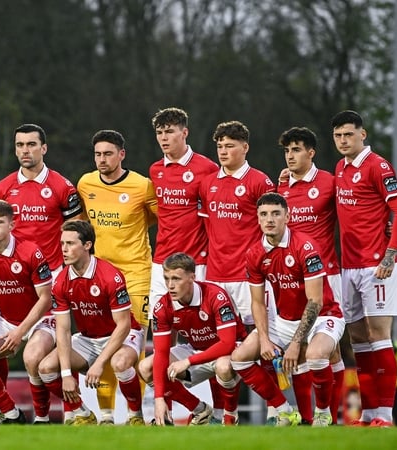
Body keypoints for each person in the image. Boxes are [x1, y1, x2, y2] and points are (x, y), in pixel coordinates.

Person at [0, 123, 84, 414]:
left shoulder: (62, 186)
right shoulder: (4, 187)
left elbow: (78, 230)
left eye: (31, 145)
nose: (25, 151)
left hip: (52, 278)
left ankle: (72, 413)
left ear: (44, 148)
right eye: (20, 145)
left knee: (49, 353)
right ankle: (3, 411)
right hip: (12, 280)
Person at [231, 192, 345, 427]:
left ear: (287, 216)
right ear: (258, 218)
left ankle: (323, 413)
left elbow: (315, 301)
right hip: (283, 320)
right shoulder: (254, 254)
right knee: (239, 359)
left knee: (314, 355)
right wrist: (264, 339)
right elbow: (258, 303)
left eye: (275, 213)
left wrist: (295, 343)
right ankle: (284, 410)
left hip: (323, 316)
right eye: (263, 214)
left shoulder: (305, 246)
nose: (269, 219)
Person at [331, 110, 397, 427]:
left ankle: (385, 414)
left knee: (380, 336)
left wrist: (389, 255)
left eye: (348, 134)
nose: (343, 140)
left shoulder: (378, 166)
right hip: (348, 267)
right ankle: (367, 413)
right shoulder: (340, 168)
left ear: (362, 135)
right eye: (338, 135)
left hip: (377, 266)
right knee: (358, 340)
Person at [76, 129, 157, 424]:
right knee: (103, 343)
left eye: (108, 153)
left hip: (136, 274)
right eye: (97, 154)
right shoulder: (86, 184)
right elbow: (80, 223)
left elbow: (161, 219)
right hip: (99, 277)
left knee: (127, 348)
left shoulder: (142, 186)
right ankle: (107, 416)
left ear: (122, 154)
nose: (102, 159)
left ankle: (137, 413)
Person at [38, 220, 145, 425]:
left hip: (122, 335)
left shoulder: (110, 276)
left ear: (87, 245)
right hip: (88, 339)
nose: (64, 249)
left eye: (70, 243)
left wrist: (98, 364)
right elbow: (63, 328)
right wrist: (67, 373)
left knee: (120, 363)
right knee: (46, 368)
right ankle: (83, 413)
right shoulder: (60, 280)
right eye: (62, 244)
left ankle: (135, 416)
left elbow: (123, 325)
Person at [276, 126, 347, 425]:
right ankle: (308, 419)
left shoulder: (329, 183)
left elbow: (352, 213)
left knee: (329, 350)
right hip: (292, 278)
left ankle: (331, 415)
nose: (291, 155)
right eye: (287, 150)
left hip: (327, 275)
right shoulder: (280, 190)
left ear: (311, 152)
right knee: (301, 349)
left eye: (296, 149)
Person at [0, 200, 55, 425]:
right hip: (6, 320)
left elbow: (45, 299)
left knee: (32, 358)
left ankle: (42, 419)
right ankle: (11, 415)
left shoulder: (30, 251)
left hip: (41, 319)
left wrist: (20, 332)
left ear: (12, 225)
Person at [137, 253, 246, 426]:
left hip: (232, 351)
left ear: (192, 278)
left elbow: (227, 344)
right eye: (166, 278)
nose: (170, 285)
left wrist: (188, 361)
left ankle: (230, 415)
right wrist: (158, 398)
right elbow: (161, 354)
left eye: (176, 279)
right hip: (197, 349)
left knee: (223, 366)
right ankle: (200, 410)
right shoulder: (162, 307)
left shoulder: (215, 295)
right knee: (145, 367)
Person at [199, 120, 276, 329]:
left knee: (258, 333)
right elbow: (207, 228)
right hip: (215, 273)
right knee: (220, 334)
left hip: (247, 273)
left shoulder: (260, 182)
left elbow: (273, 227)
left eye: (230, 146)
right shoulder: (207, 184)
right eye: (220, 146)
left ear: (245, 147)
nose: (223, 152)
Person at [148, 108, 218, 304]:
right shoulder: (155, 170)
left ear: (184, 133)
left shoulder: (207, 168)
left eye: (169, 132)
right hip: (162, 258)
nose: (163, 138)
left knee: (197, 324)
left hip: (195, 260)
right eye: (159, 133)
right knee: (160, 320)